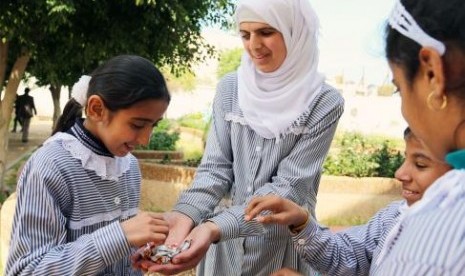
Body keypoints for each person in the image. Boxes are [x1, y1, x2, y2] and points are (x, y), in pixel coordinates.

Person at [133, 0, 344, 275]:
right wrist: (185, 216)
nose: (254, 45)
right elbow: (215, 169)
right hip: (221, 249)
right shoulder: (231, 89)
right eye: (245, 35)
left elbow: (289, 187)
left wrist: (215, 227)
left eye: (266, 32)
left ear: (294, 32)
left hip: (279, 248)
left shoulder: (324, 102)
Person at [6, 55, 171, 276]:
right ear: (96, 109)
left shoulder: (129, 167)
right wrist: (119, 236)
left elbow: (121, 250)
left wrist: (143, 249)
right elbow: (28, 270)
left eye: (154, 125)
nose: (145, 140)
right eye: (137, 124)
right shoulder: (51, 166)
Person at [245, 127, 452, 275]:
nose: (400, 173)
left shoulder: (450, 244)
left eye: (421, 164)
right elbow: (349, 255)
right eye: (404, 159)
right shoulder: (396, 216)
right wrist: (302, 222)